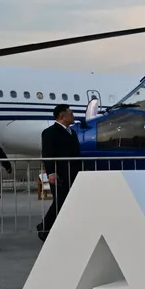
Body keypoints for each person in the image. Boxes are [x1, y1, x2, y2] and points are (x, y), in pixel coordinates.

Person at [38, 103, 81, 241]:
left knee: (68, 201)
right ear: (63, 116)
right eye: (71, 113)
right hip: (59, 174)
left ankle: (46, 226)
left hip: (73, 172)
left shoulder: (72, 132)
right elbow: (48, 154)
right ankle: (44, 228)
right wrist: (51, 172)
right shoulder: (50, 132)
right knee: (60, 201)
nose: (73, 116)